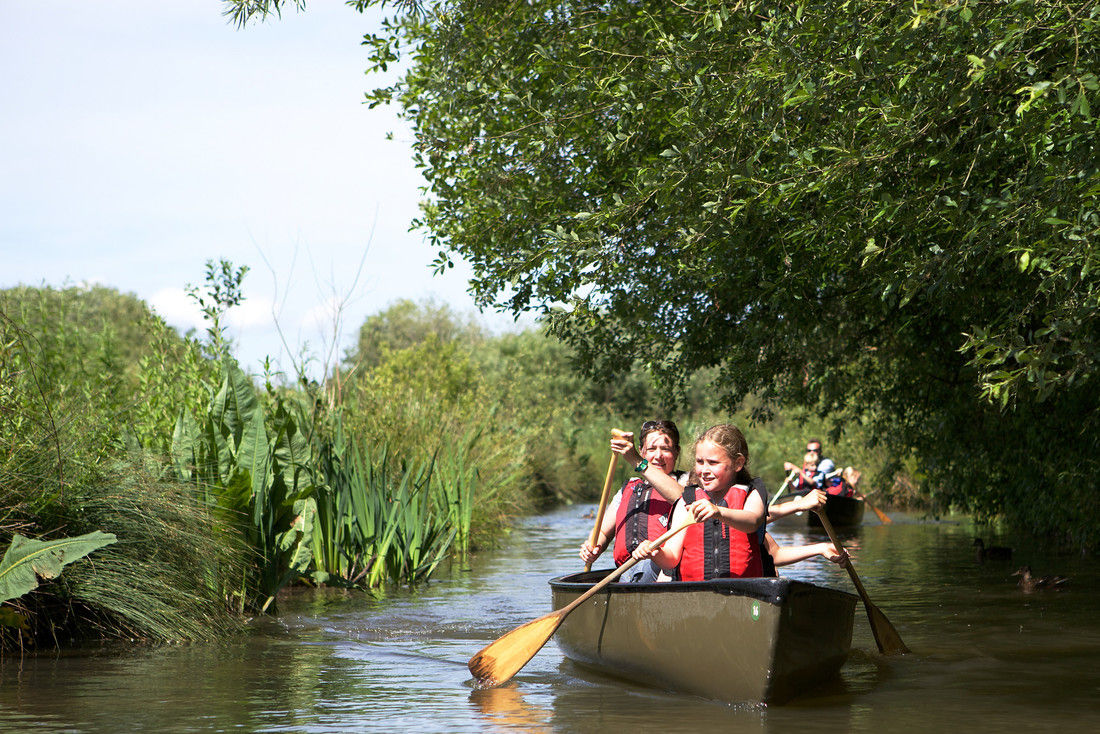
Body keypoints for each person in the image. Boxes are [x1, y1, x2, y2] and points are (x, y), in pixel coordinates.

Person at [627, 424, 766, 581]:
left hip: (743, 591)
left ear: (738, 463)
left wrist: (718, 512)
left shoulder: (752, 492)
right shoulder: (687, 500)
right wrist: (654, 552)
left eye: (713, 463)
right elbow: (671, 558)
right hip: (695, 593)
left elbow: (752, 522)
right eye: (700, 462)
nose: (704, 470)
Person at [579, 420, 688, 583]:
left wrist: (637, 462)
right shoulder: (627, 489)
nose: (658, 456)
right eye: (651, 449)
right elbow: (601, 533)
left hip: (663, 573)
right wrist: (594, 547)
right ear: (641, 451)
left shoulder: (685, 481)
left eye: (665, 449)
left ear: (677, 452)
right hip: (626, 572)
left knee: (645, 569)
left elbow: (683, 499)